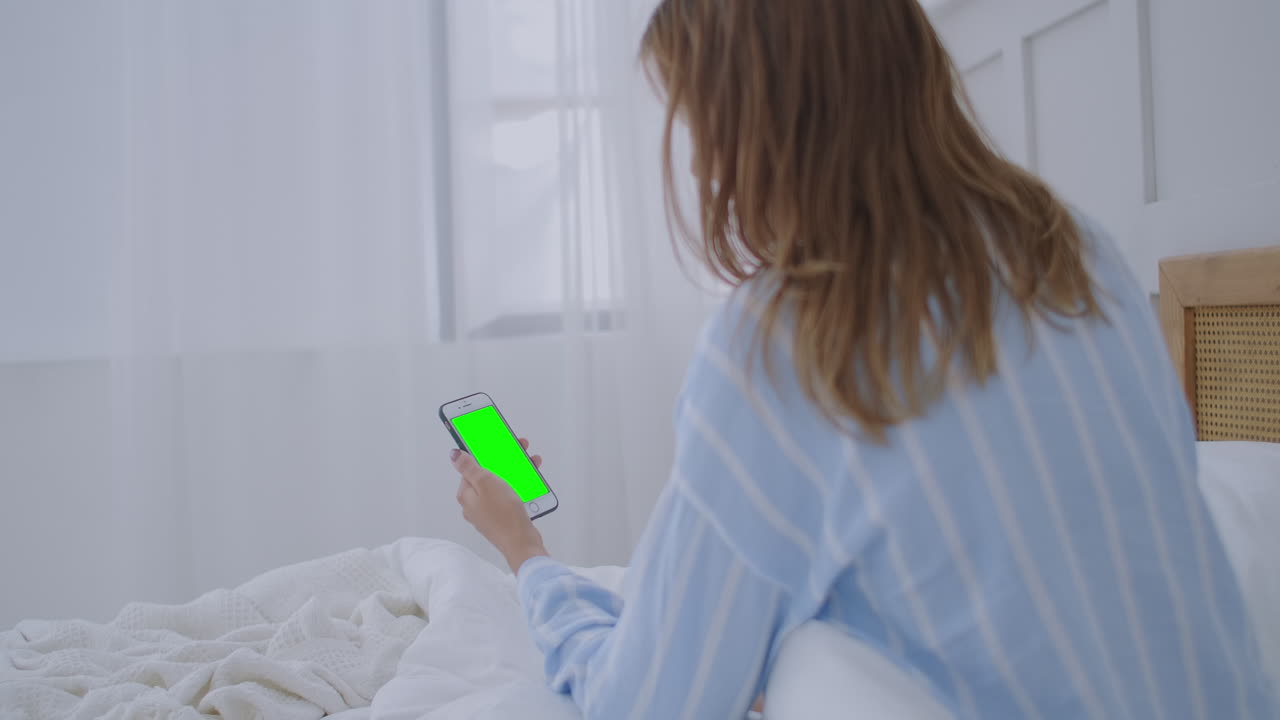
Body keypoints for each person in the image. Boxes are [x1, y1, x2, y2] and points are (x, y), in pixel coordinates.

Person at [449, 1, 1277, 718]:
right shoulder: (1077, 252)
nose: (698, 164)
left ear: (761, 124)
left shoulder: (784, 339)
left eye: (701, 126)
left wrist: (527, 555)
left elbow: (649, 702)